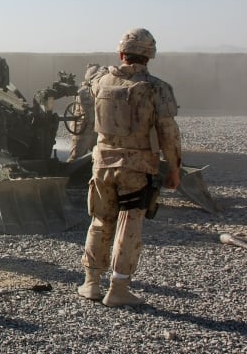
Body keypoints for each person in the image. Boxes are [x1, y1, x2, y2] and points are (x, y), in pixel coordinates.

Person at [77, 28, 182, 307]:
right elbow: (168, 133)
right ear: (150, 56)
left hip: (102, 165)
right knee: (129, 222)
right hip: (136, 167)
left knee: (100, 220)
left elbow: (87, 97)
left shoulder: (101, 83)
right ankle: (118, 288)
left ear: (121, 53)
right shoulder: (157, 88)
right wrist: (174, 168)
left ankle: (91, 284)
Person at [67, 63, 107, 162]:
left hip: (89, 128)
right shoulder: (85, 91)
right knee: (76, 158)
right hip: (86, 128)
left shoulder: (85, 90)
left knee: (97, 158)